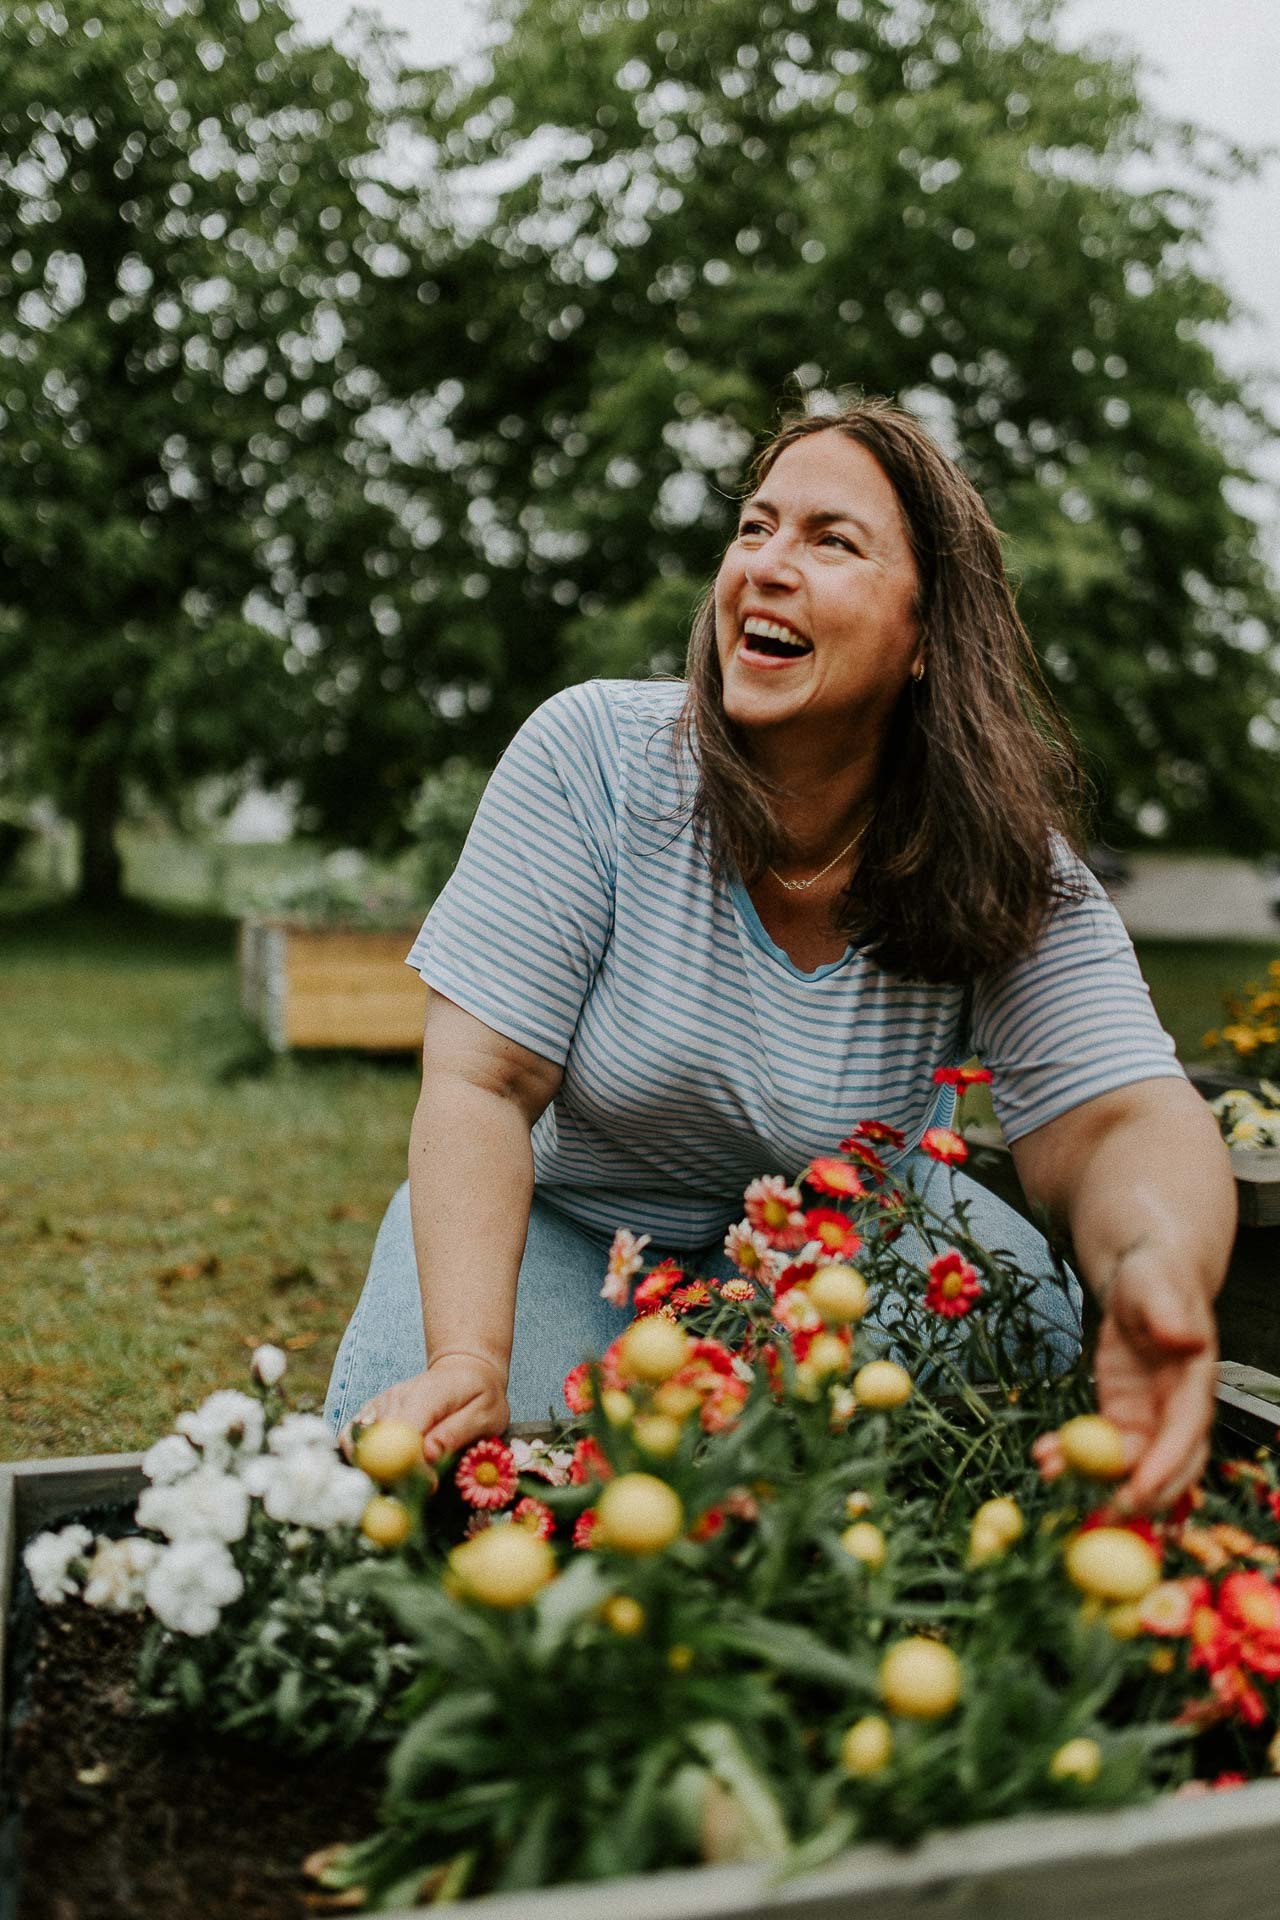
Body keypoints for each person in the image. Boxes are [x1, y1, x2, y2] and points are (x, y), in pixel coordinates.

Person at [326, 398, 1235, 1513]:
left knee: (920, 1476)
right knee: (427, 1493)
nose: (764, 564)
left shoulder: (997, 855)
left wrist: (1155, 1267)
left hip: (842, 1263)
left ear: (925, 634)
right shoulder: (593, 761)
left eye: (829, 540)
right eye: (753, 528)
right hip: (565, 1233)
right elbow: (479, 1084)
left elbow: (1120, 1120)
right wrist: (467, 1354)